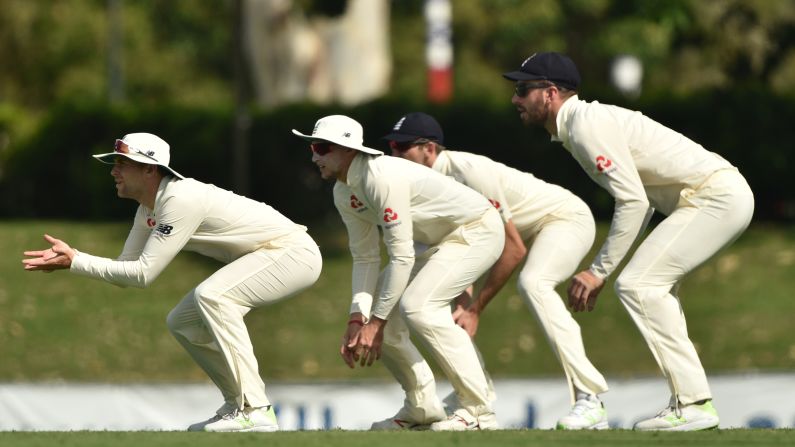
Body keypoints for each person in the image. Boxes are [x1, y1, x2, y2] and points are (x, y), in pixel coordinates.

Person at [504, 52, 755, 431]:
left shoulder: (586, 125)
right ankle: (688, 401)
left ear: (550, 92)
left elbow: (634, 202)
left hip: (715, 196)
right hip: (713, 196)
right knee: (648, 286)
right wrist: (604, 268)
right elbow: (645, 201)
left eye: (523, 89)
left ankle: (694, 405)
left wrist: (597, 272)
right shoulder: (580, 126)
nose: (515, 99)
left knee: (640, 284)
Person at [22, 132, 322, 432]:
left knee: (213, 297)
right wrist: (74, 262)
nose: (114, 171)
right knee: (183, 322)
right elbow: (128, 270)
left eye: (123, 163)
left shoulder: (180, 198)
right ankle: (237, 404)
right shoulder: (147, 210)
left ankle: (256, 408)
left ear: (150, 169)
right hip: (270, 255)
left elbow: (143, 274)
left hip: (293, 253)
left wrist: (75, 260)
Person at [383, 111, 610, 430]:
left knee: (534, 284)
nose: (394, 154)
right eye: (391, 147)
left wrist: (476, 308)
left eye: (401, 147)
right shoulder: (421, 187)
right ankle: (474, 395)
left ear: (429, 149)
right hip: (508, 235)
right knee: (433, 304)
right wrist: (462, 301)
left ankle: (590, 398)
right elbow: (457, 249)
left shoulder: (467, 170)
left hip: (564, 219)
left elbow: (512, 247)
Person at [293, 115, 505, 431]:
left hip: (478, 229)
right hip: (438, 242)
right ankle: (422, 406)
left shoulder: (381, 178)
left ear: (349, 149)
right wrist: (358, 318)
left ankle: (479, 412)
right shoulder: (343, 191)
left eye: (322, 148)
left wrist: (375, 322)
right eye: (313, 146)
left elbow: (402, 256)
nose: (314, 156)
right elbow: (365, 257)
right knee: (382, 316)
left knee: (419, 307)